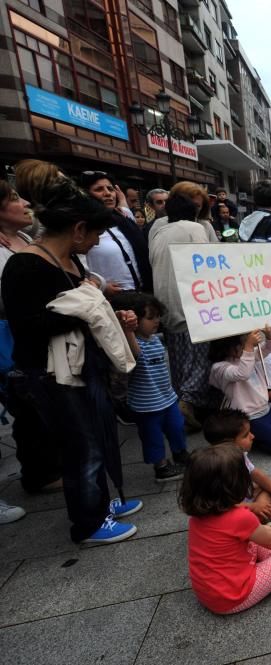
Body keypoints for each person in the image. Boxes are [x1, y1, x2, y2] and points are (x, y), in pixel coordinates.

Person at [3, 160, 142, 544]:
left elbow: (87, 305)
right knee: (81, 445)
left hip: (85, 367)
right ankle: (88, 522)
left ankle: (98, 502)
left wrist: (109, 314)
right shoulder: (25, 266)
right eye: (96, 234)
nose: (97, 243)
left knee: (98, 436)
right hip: (52, 375)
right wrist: (84, 313)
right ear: (79, 229)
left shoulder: (71, 259)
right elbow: (28, 328)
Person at [180, 444, 271, 614]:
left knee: (254, 537)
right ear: (237, 484)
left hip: (209, 594)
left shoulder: (196, 517)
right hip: (234, 597)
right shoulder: (240, 518)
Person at [0, 180, 56, 494]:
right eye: (13, 199)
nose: (24, 203)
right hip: (15, 336)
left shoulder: (23, 237)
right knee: (26, 404)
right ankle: (40, 473)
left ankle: (52, 465)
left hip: (42, 333)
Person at [148, 184, 216, 431]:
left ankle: (182, 404)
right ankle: (188, 401)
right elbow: (209, 263)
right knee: (201, 358)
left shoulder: (157, 230)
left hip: (165, 304)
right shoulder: (195, 229)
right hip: (193, 303)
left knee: (178, 359)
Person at [116, 292, 188, 482]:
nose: (156, 321)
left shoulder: (155, 339)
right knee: (152, 436)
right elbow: (136, 354)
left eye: (157, 316)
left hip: (167, 398)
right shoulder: (133, 344)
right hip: (145, 405)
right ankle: (162, 467)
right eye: (150, 317)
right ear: (135, 320)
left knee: (177, 426)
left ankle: (181, 454)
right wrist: (128, 331)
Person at [209, 326, 271, 456]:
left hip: (266, 409)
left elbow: (270, 347)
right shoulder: (219, 367)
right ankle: (248, 441)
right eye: (241, 344)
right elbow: (242, 373)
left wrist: (269, 334)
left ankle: (263, 435)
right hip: (249, 417)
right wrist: (249, 346)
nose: (244, 347)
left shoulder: (249, 355)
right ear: (227, 347)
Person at [203, 408, 271, 524]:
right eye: (245, 435)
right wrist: (254, 507)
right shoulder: (217, 469)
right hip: (230, 514)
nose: (252, 436)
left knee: (264, 488)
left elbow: (255, 473)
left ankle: (266, 516)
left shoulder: (240, 455)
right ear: (227, 444)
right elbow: (224, 505)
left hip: (244, 501)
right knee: (257, 518)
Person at [78, 171, 152, 294]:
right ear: (86, 194)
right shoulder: (82, 227)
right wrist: (101, 286)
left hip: (141, 292)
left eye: (110, 189)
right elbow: (79, 268)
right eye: (99, 189)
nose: (107, 193)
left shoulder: (123, 220)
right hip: (111, 298)